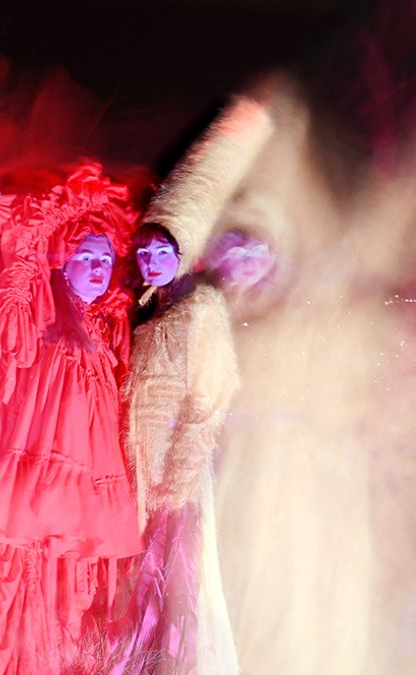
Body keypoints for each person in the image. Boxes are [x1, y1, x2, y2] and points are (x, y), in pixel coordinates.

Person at [0, 163, 144, 674]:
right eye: (84, 257)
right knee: (19, 578)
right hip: (33, 482)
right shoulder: (37, 311)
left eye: (105, 259)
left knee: (66, 586)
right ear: (62, 263)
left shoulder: (108, 329)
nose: (97, 267)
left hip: (82, 491)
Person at [112, 224, 274, 674]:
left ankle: (176, 664)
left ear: (183, 254)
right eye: (144, 253)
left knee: (175, 573)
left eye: (163, 252)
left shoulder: (201, 308)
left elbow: (210, 398)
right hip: (142, 464)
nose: (151, 261)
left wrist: (178, 478)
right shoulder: (154, 308)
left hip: (173, 473)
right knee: (143, 575)